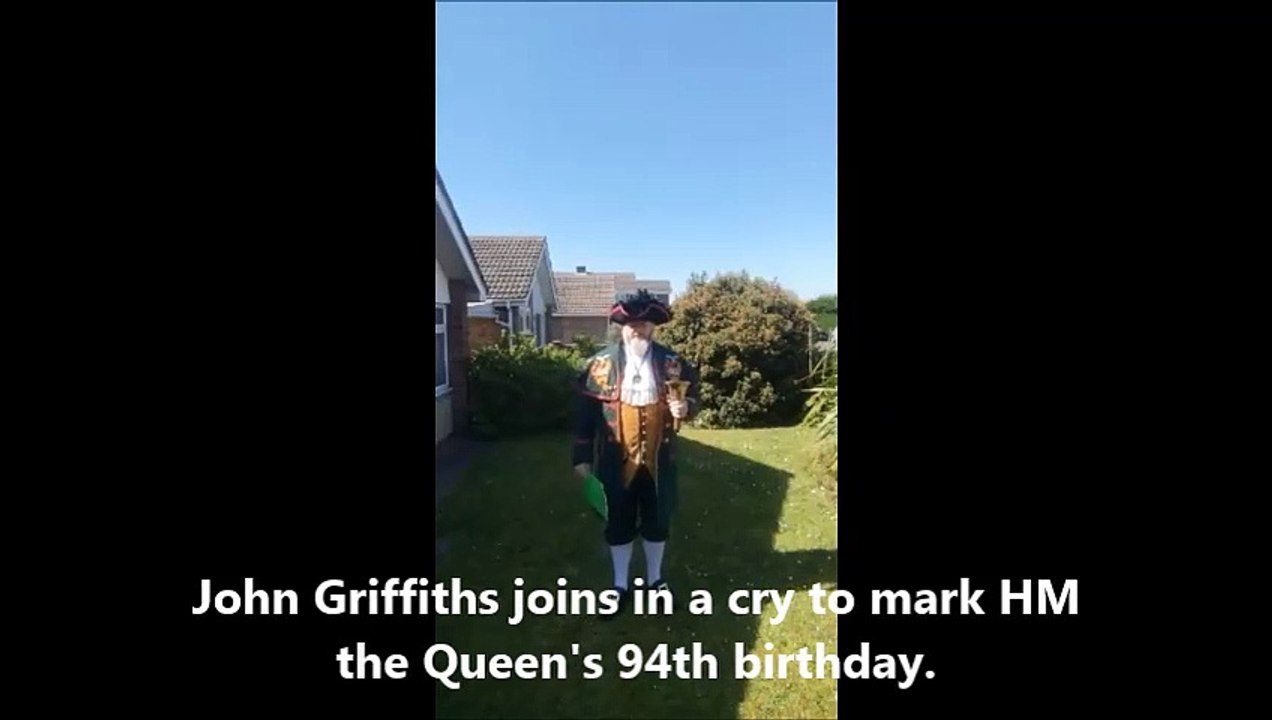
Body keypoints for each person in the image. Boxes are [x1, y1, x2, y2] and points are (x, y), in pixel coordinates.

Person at [572, 289, 700, 619]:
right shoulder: (599, 365)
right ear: (621, 327)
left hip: (660, 460)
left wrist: (685, 407)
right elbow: (585, 415)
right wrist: (582, 456)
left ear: (653, 326)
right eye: (630, 325)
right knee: (618, 521)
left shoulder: (673, 363)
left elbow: (693, 401)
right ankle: (619, 585)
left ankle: (655, 581)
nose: (636, 330)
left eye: (642, 324)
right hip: (615, 461)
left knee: (658, 519)